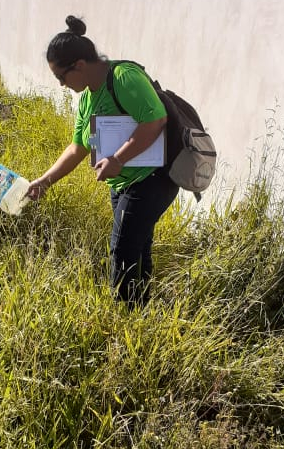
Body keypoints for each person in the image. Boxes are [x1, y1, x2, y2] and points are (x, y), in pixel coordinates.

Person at [26, 16, 179, 306]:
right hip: (120, 183)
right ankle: (141, 313)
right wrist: (46, 180)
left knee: (122, 251)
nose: (60, 85)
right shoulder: (87, 99)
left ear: (80, 66)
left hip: (152, 180)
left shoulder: (123, 78)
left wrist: (118, 159)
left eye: (61, 77)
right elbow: (77, 148)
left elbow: (156, 119)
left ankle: (124, 319)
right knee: (137, 249)